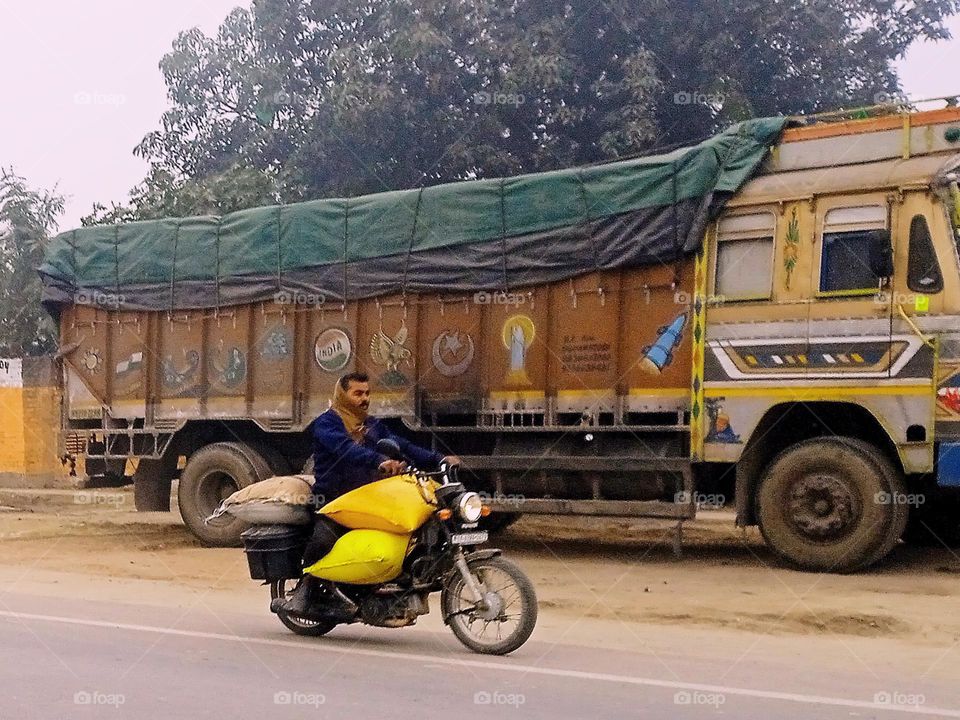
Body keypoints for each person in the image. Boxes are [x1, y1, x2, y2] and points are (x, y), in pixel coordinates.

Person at [273, 371, 459, 618]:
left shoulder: (371, 425)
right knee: (325, 539)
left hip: (369, 498)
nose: (364, 399)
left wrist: (438, 459)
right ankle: (305, 590)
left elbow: (401, 445)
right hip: (335, 499)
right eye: (358, 393)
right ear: (342, 395)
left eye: (367, 393)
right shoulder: (327, 423)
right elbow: (346, 450)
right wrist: (379, 461)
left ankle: (393, 582)